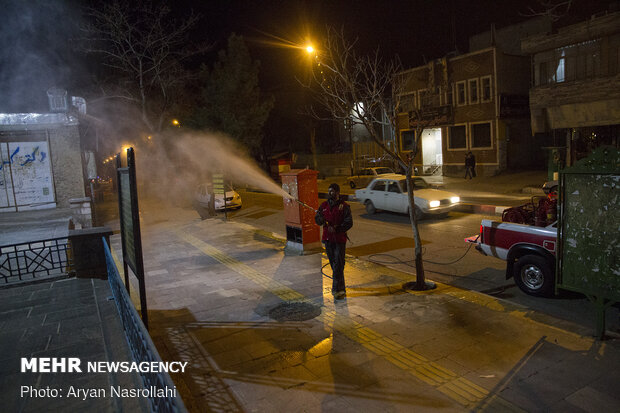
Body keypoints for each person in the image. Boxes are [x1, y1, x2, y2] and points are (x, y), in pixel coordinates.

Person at [315, 183, 353, 299]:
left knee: (338, 265)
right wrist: (320, 219)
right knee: (334, 264)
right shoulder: (324, 205)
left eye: (332, 191)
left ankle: (337, 290)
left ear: (338, 192)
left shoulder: (344, 206)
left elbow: (349, 222)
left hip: (339, 240)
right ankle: (341, 288)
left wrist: (337, 228)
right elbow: (318, 220)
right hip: (327, 240)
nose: (330, 193)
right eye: (329, 191)